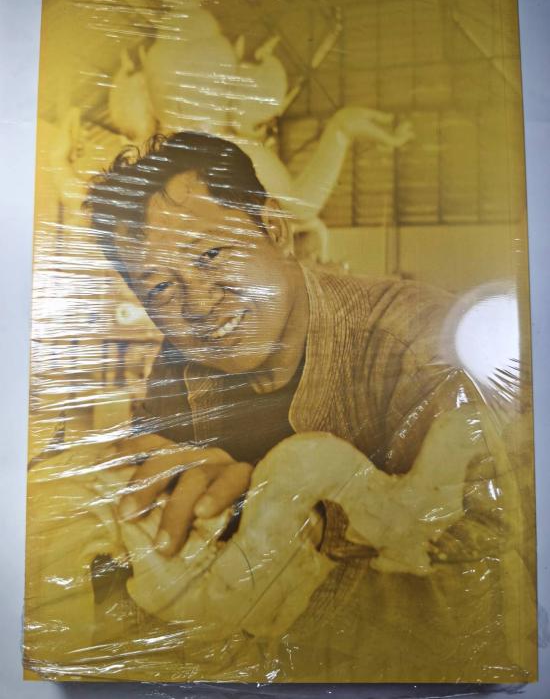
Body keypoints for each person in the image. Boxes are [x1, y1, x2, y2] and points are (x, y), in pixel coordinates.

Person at [85, 131, 534, 682]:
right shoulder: (179, 367)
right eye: (160, 289)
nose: (199, 303)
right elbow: (148, 510)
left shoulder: (419, 347)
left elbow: (497, 592)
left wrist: (315, 527)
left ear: (274, 229)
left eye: (211, 254)